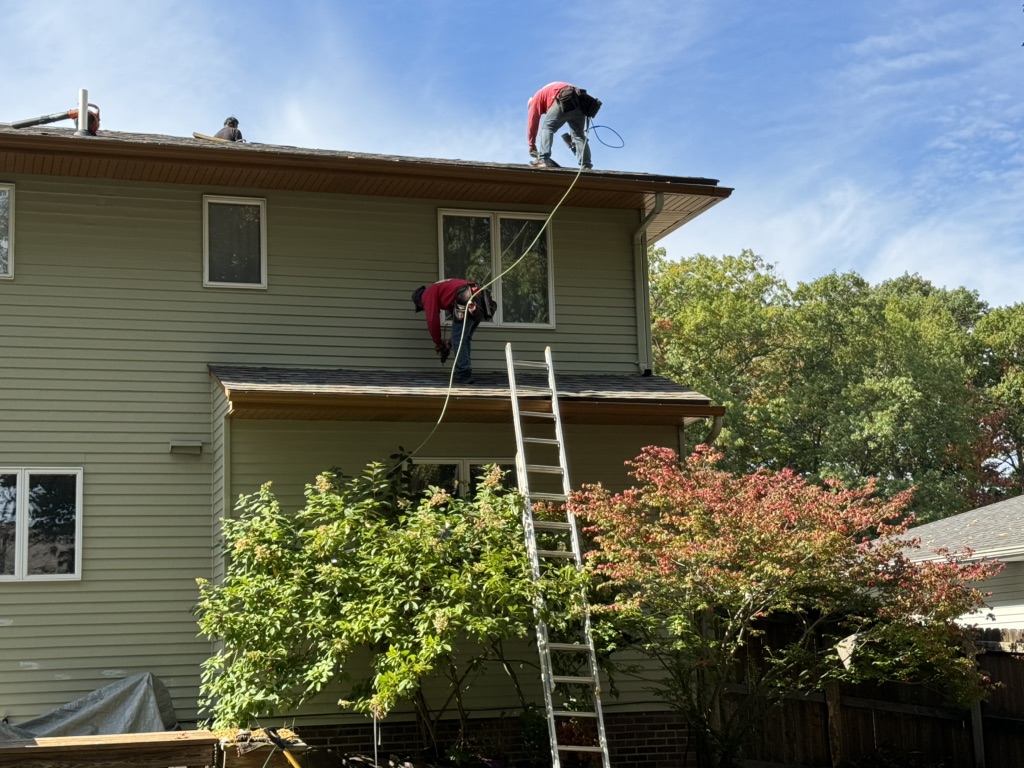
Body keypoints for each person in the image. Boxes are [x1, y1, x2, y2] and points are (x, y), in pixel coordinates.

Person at [412, 279, 494, 384]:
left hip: (466, 298)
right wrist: (449, 343)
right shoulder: (441, 287)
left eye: (421, 306)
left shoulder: (427, 294)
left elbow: (432, 320)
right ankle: (466, 371)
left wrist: (438, 342)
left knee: (459, 339)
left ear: (419, 301)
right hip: (480, 300)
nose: (424, 307)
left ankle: (463, 373)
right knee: (464, 338)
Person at [526, 82, 597, 169]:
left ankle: (543, 159)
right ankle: (586, 166)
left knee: (547, 127)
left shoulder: (534, 100)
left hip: (564, 96)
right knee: (578, 135)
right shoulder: (547, 91)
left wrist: (531, 145)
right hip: (580, 100)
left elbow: (532, 124)